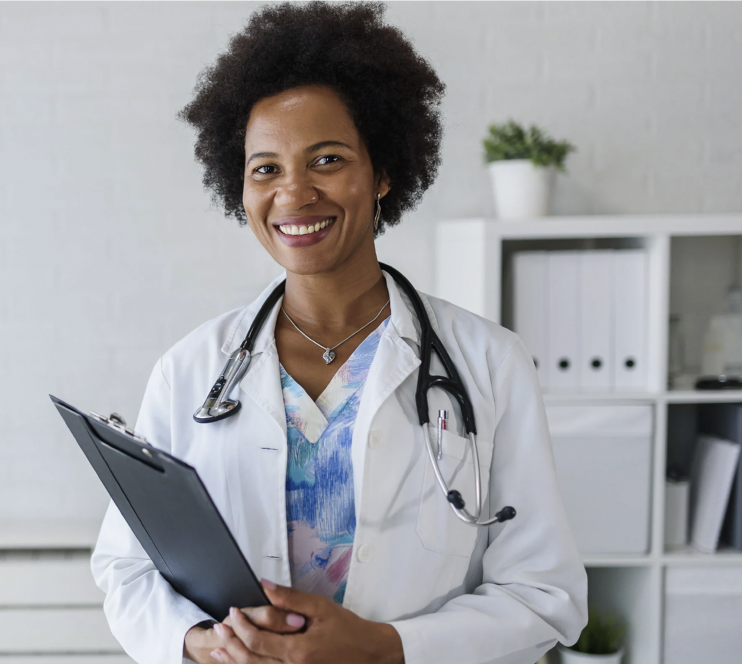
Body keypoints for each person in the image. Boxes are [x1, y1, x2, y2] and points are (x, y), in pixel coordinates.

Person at [91, 3, 587, 664]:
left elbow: (544, 593)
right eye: (265, 169)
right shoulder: (190, 371)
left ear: (381, 172)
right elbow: (125, 569)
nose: (294, 194)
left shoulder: (489, 364)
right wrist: (197, 645)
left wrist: (387, 647)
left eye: (326, 160)